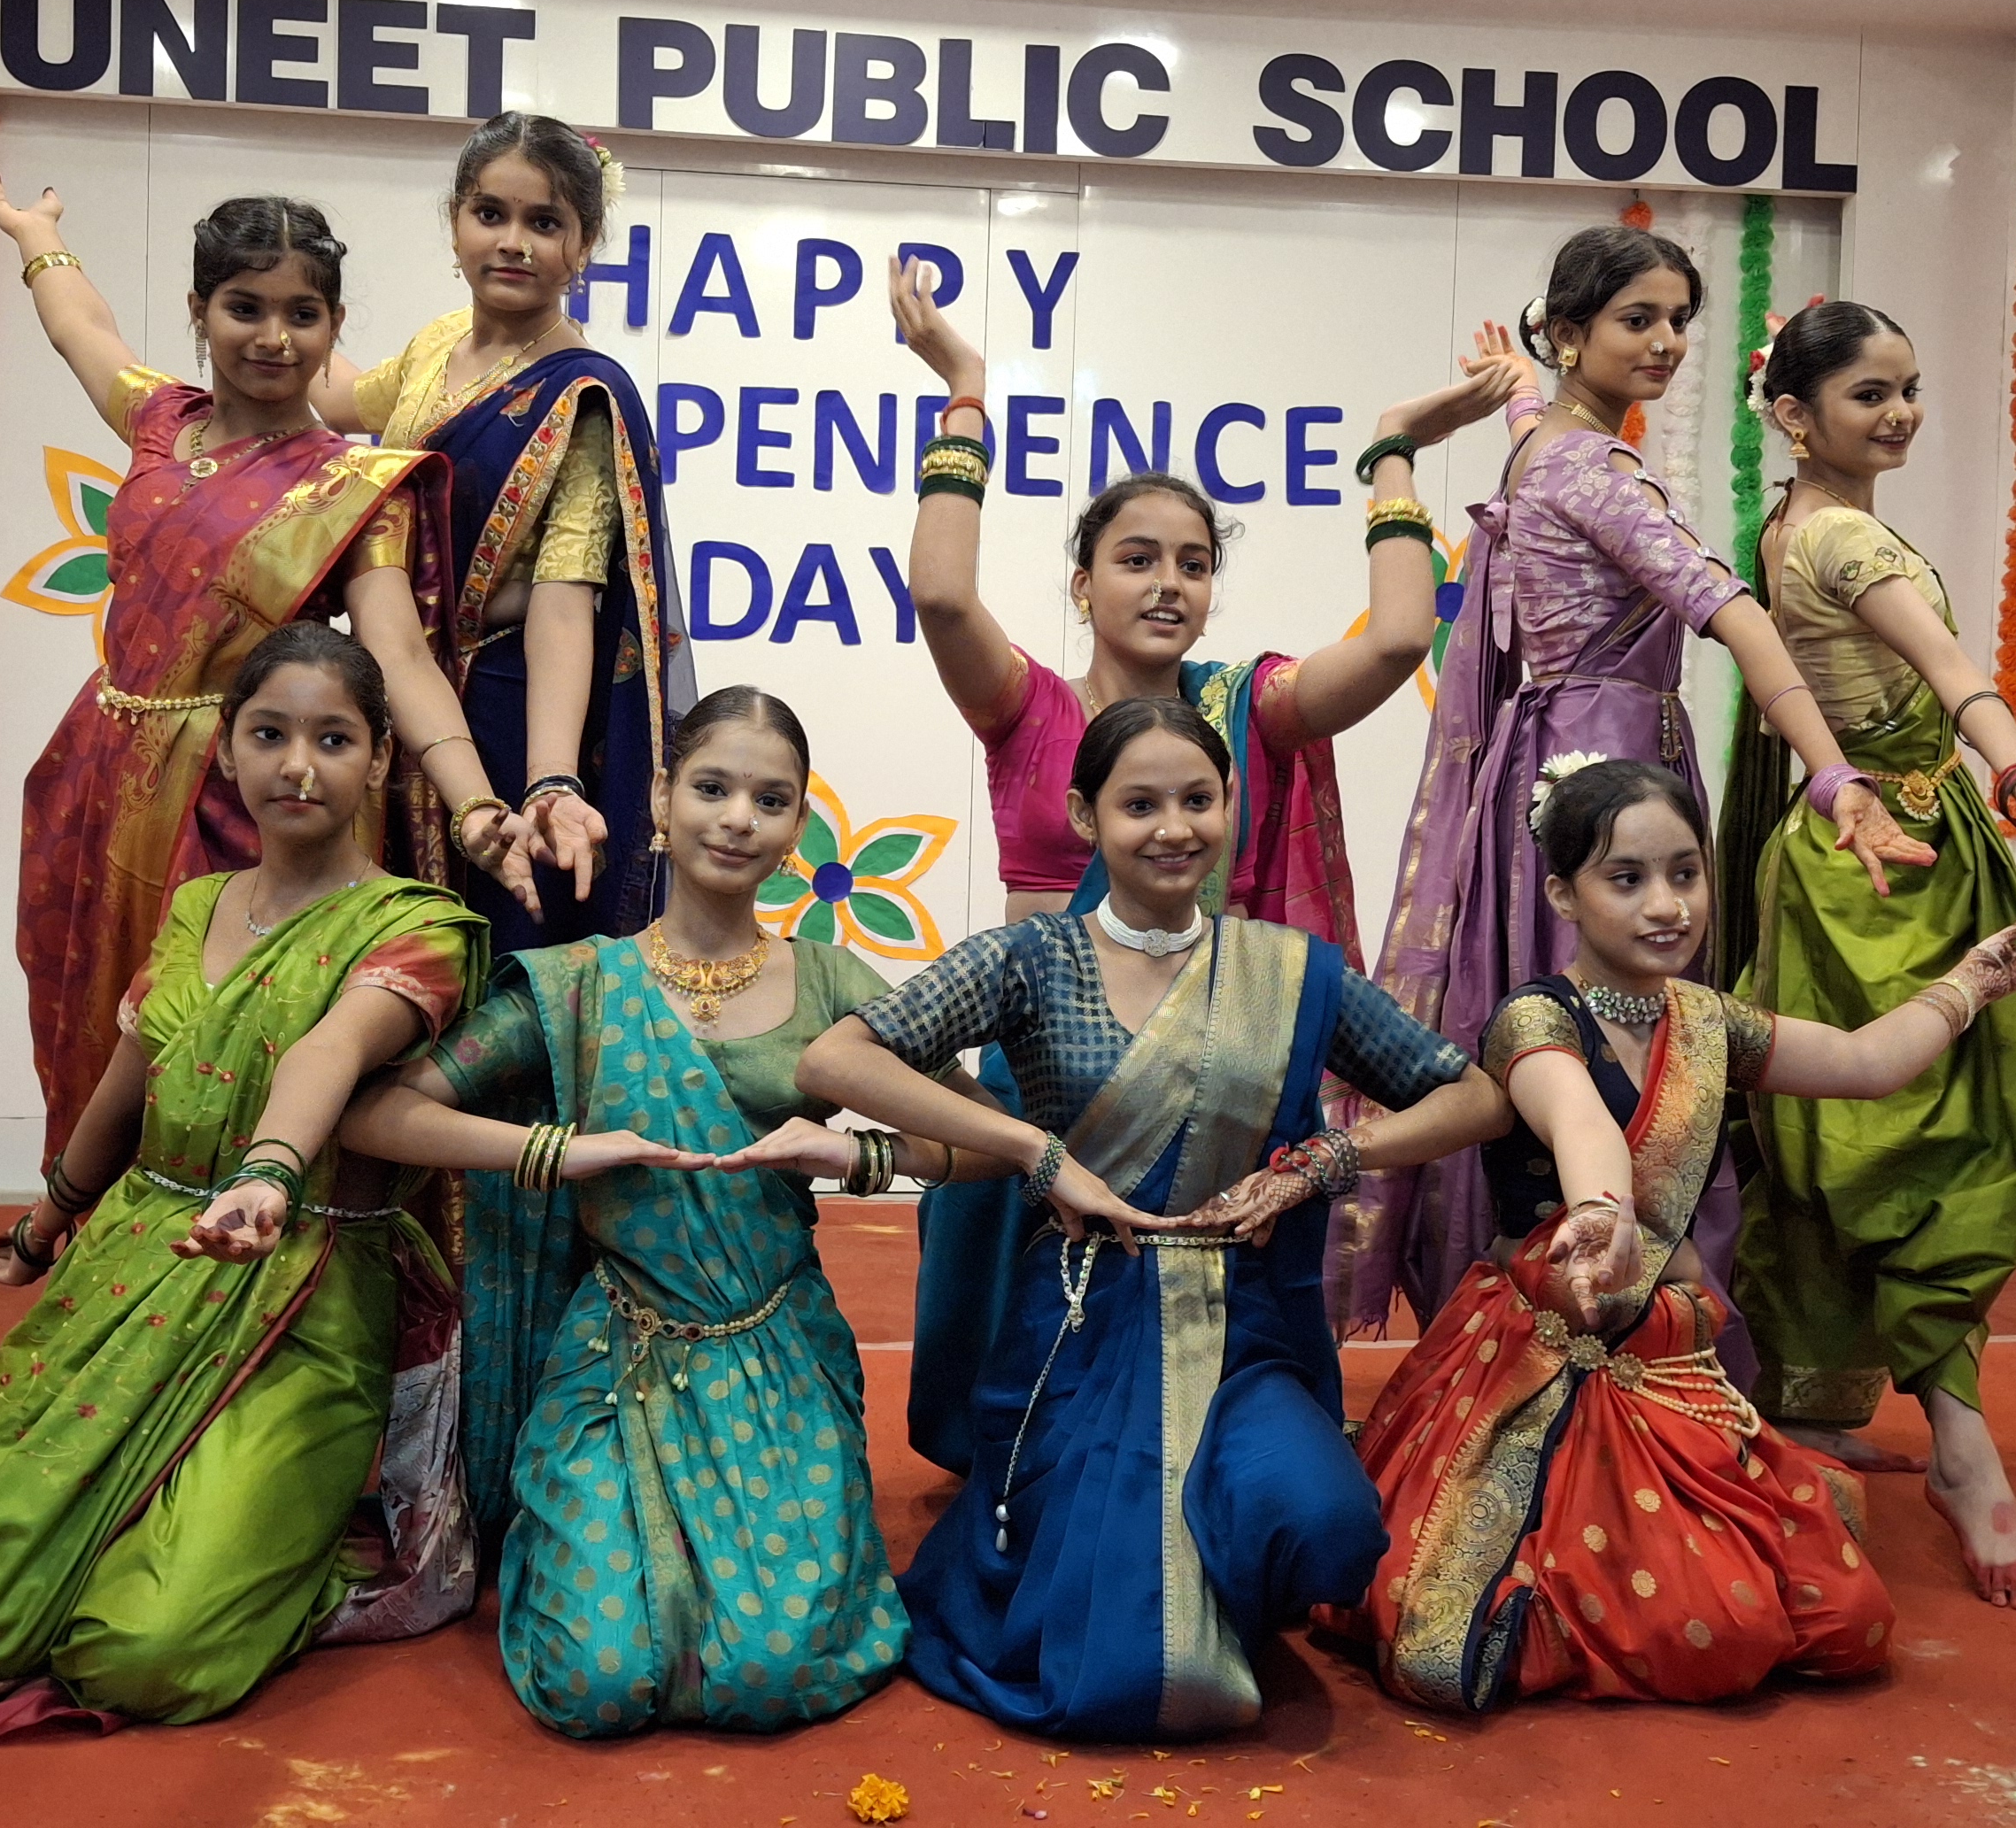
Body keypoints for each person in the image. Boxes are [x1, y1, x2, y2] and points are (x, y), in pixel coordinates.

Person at [0, 627, 489, 1743]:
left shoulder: (416, 929)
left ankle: (302, 1552)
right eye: (269, 734)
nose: (298, 766)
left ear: (380, 760)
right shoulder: (195, 910)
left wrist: (267, 1176)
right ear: (226, 748)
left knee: (146, 1657)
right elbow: (130, 1082)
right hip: (139, 1261)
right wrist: (45, 1224)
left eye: (334, 740)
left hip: (305, 1286)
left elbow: (329, 1048)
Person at [342, 687, 1148, 1736]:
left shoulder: (830, 982)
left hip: (779, 1351)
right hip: (619, 1357)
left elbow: (991, 1136)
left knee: (772, 1670)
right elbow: (380, 1113)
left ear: (797, 824)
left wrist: (857, 1152)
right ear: (661, 799)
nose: (737, 819)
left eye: (770, 800)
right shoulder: (580, 986)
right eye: (712, 788)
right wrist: (559, 1151)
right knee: (595, 1679)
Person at [887, 254, 1514, 1465]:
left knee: (1194, 1405)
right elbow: (943, 596)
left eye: (1193, 561)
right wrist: (964, 386)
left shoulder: (1251, 711)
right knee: (1006, 1401)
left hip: (1207, 1086)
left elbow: (1398, 638)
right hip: (1039, 1084)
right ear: (1083, 583)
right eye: (1137, 558)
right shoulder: (1030, 711)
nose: (1169, 582)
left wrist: (1393, 451)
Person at [799, 697, 1510, 1741]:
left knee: (1328, 1526)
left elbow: (1476, 1096)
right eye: (1140, 805)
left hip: (1243, 1331)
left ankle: (1210, 1568)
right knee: (1122, 1675)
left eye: (1197, 799)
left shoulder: (1287, 970)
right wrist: (1032, 1149)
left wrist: (1326, 1158)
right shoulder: (1032, 959)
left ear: (1232, 805)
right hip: (1077, 1327)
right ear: (1085, 815)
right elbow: (837, 1059)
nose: (1174, 828)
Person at [1327, 758, 2016, 1709]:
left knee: (1844, 1619)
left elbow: (1861, 1064)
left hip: (1672, 1361)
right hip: (1540, 1356)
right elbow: (1581, 1121)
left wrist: (1972, 983)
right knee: (1695, 1627)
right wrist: (1602, 1212)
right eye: (1627, 878)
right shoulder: (1535, 1019)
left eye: (1685, 873)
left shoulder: (1707, 1022)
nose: (1666, 905)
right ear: (1563, 894)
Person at [1359, 225, 1930, 1367]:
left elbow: (1530, 419)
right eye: (1639, 320)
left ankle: (1531, 1324)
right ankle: (1631, 1337)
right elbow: (1732, 612)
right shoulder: (1590, 469)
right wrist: (1834, 776)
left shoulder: (1545, 444)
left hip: (1556, 770)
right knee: (1635, 1053)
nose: (1668, 342)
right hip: (1606, 773)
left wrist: (1482, 400)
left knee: (1564, 1031)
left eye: (1679, 320)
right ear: (1571, 332)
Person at [0, 184, 529, 1175]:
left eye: (302, 313)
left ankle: (235, 1221)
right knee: (89, 1016)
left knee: (220, 1036)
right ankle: (94, 1223)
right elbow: (81, 330)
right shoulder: (161, 420)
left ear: (334, 324)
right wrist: (38, 236)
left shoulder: (352, 487)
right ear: (199, 311)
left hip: (238, 797)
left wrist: (476, 804)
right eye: (246, 307)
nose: (275, 338)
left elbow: (399, 655)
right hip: (97, 776)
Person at [1719, 301, 2016, 1613]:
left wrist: (2005, 786)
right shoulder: (1841, 537)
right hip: (1886, 865)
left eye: (1908, 388)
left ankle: (1812, 1403)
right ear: (1795, 415)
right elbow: (1952, 670)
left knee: (1839, 1140)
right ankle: (1961, 1442)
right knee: (1929, 1143)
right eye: (1869, 394)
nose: (1899, 414)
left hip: (1872, 848)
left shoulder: (1792, 522)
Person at [312, 112, 684, 957]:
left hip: (504, 708)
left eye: (544, 222)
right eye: (490, 214)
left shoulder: (581, 396)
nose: (513, 243)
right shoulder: (439, 343)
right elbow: (340, 399)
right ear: (455, 223)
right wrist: (277, 334)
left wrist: (548, 779)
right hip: (388, 690)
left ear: (584, 244)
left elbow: (564, 600)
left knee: (491, 951)